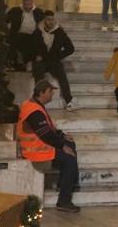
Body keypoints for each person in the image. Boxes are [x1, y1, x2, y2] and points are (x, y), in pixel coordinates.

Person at [17, 79, 81, 214]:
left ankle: (68, 182)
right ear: (41, 93)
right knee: (69, 159)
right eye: (50, 91)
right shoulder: (34, 110)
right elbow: (45, 134)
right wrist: (62, 145)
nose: (52, 94)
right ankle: (64, 200)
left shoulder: (34, 105)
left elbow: (48, 129)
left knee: (70, 145)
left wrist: (62, 136)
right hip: (37, 154)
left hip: (42, 149)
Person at [32, 10, 77, 111]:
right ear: (44, 20)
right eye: (48, 20)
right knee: (38, 75)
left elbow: (70, 48)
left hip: (53, 61)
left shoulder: (59, 32)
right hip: (42, 60)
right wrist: (37, 55)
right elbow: (33, 46)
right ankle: (37, 102)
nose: (51, 22)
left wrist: (58, 56)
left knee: (62, 76)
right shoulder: (38, 32)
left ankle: (69, 101)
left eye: (52, 19)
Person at [5, 0, 44, 71]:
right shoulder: (15, 10)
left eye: (29, 4)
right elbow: (5, 20)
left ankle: (29, 63)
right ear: (22, 3)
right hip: (18, 34)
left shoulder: (38, 12)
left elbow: (44, 23)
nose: (27, 6)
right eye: (25, 4)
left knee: (36, 41)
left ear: (32, 2)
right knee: (12, 40)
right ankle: (11, 62)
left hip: (32, 35)